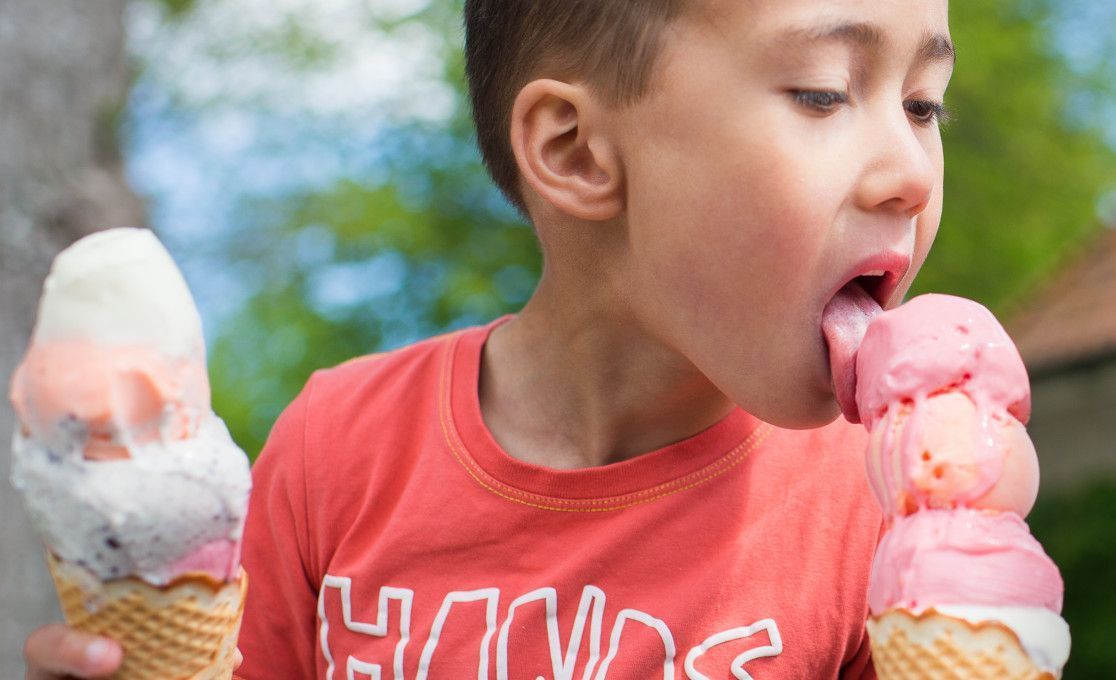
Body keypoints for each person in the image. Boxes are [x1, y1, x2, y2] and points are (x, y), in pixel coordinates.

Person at [26, 0, 955, 675]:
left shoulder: (885, 510)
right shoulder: (337, 449)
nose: (911, 170)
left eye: (923, 105)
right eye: (826, 93)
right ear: (575, 150)